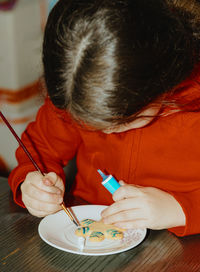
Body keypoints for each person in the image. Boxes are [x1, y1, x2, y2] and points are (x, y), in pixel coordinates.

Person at [8, 0, 200, 237]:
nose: (107, 133)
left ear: (164, 78)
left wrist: (181, 209)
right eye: (87, 121)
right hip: (94, 232)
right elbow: (40, 148)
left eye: (124, 119)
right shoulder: (79, 88)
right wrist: (32, 182)